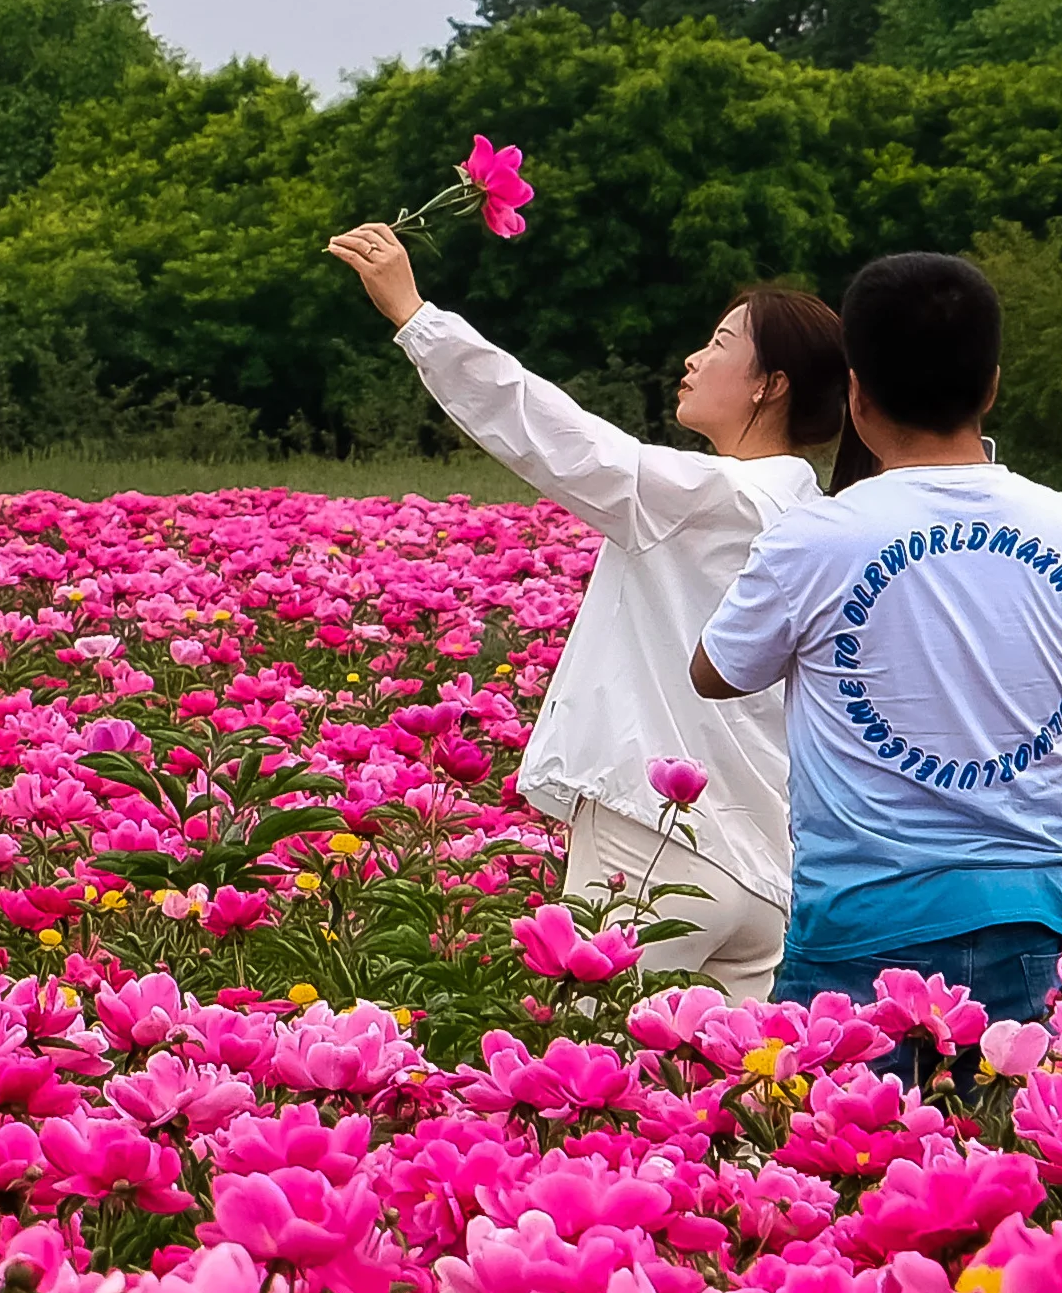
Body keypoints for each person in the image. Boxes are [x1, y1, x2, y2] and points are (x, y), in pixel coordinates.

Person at [327, 222, 844, 998]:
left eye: (718, 342)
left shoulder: (706, 497)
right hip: (771, 872)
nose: (693, 359)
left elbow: (552, 434)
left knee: (594, 1075)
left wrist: (414, 314)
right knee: (729, 1101)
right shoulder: (819, 517)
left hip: (658, 847)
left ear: (770, 384)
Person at [691, 251, 1062, 1030]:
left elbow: (717, 673)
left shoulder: (818, 539)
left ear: (856, 393)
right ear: (992, 384)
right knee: (1017, 1145)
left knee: (837, 1144)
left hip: (860, 926)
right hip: (1034, 917)